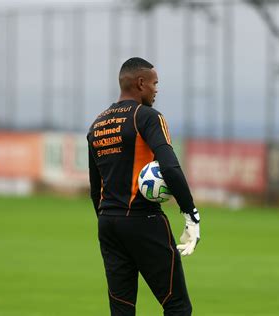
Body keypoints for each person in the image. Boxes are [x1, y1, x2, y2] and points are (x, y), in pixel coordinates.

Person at [87, 57, 201, 316]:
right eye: (154, 83)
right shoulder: (146, 117)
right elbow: (170, 167)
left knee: (122, 310)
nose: (156, 89)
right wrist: (190, 214)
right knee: (177, 306)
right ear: (140, 83)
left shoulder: (97, 124)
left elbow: (96, 188)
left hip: (107, 223)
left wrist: (110, 222)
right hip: (144, 220)